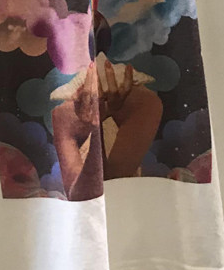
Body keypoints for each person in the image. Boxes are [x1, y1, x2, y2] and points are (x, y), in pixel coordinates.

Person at [51, 59, 163, 201]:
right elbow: (84, 198)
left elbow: (115, 190)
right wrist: (95, 126)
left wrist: (97, 124)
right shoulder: (63, 116)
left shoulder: (146, 105)